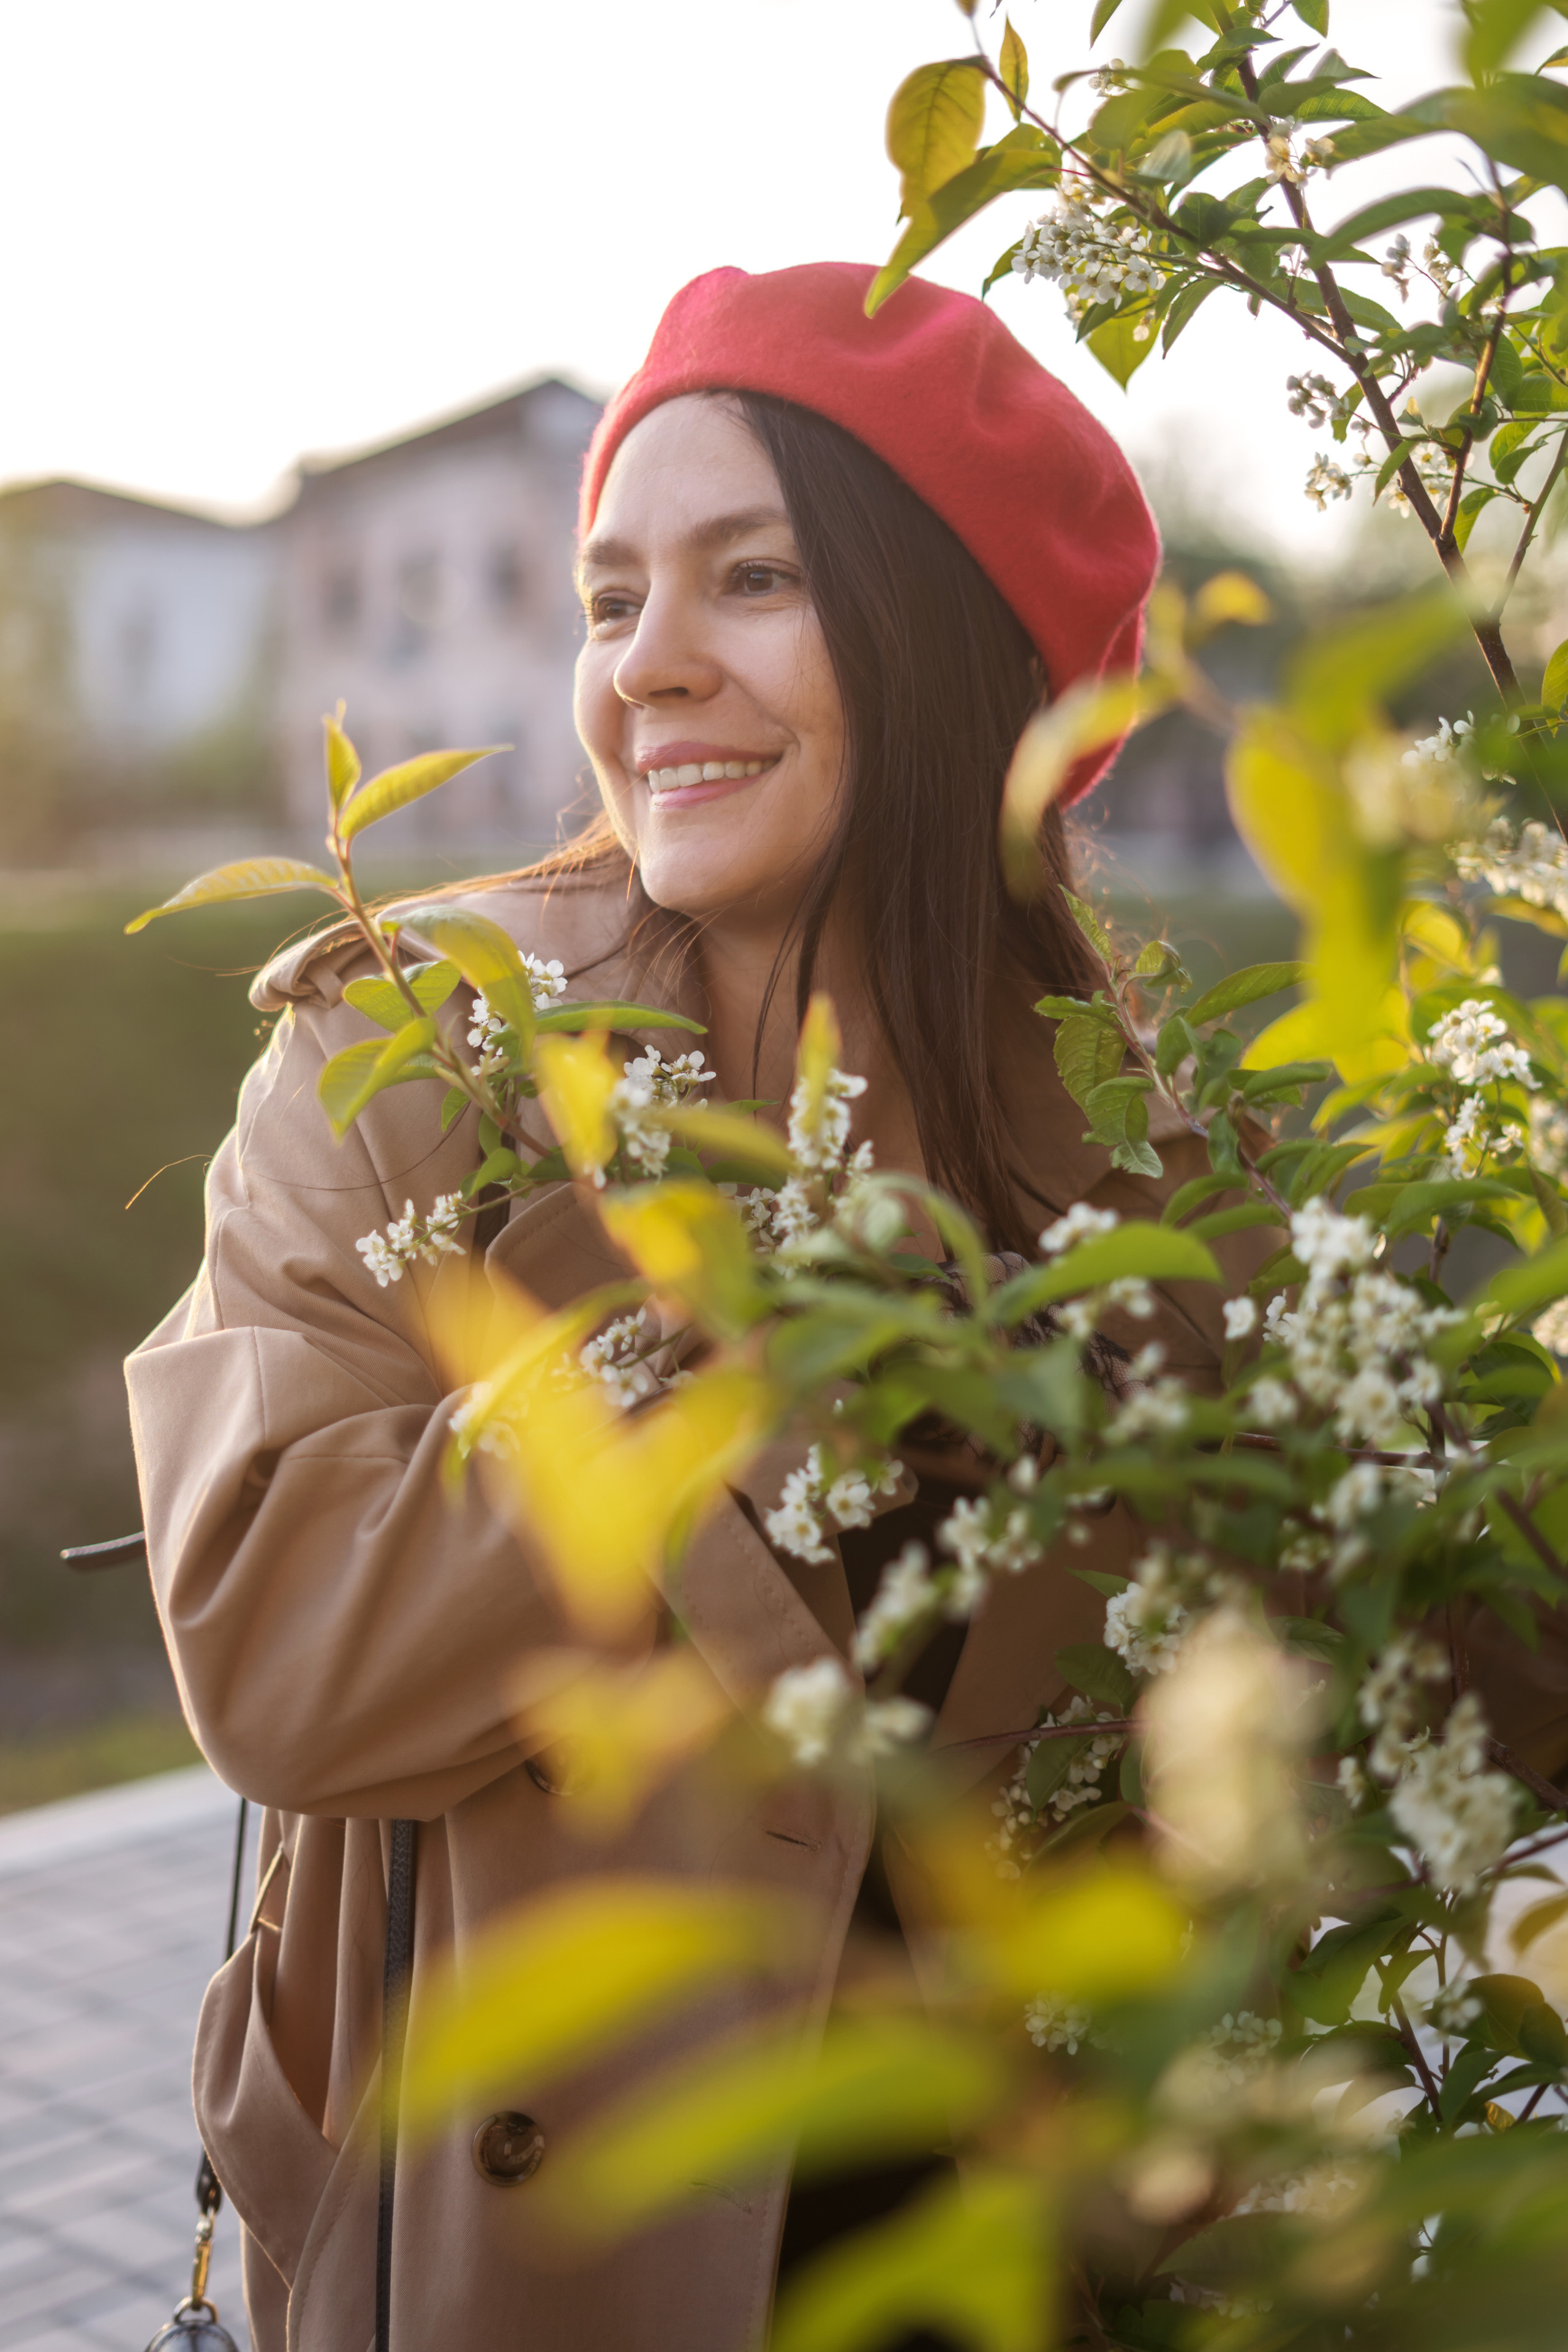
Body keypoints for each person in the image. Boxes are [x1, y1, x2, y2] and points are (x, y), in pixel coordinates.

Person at [126, 261, 1266, 2350]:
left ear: (958, 648)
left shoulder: (1152, 1168)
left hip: (1003, 2254)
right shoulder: (421, 1057)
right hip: (520, 2264)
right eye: (610, 598)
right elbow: (277, 1646)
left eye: (751, 579)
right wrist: (750, 1346)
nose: (650, 666)